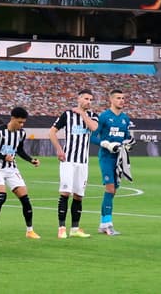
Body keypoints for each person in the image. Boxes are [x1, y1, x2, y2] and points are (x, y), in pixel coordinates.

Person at [0, 106, 42, 240]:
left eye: (23, 123)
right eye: (19, 122)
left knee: (25, 199)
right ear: (12, 119)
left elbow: (19, 150)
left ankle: (29, 231)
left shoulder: (21, 133)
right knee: (1, 197)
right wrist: (2, 157)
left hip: (12, 169)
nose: (21, 125)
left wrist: (30, 160)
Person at [50, 88, 98, 238]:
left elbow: (94, 128)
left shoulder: (93, 116)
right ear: (78, 99)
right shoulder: (67, 115)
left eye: (91, 100)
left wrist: (83, 114)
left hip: (83, 162)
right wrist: (59, 149)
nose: (88, 102)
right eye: (86, 99)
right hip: (68, 160)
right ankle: (62, 228)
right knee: (65, 193)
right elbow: (51, 132)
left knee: (79, 196)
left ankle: (75, 229)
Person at [91, 88, 133, 235]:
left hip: (119, 159)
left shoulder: (125, 118)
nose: (121, 100)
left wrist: (128, 143)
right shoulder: (103, 117)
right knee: (109, 189)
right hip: (106, 157)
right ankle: (108, 225)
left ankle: (103, 224)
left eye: (123, 98)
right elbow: (93, 137)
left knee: (113, 191)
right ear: (111, 100)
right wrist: (106, 144)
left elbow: (127, 136)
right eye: (118, 98)